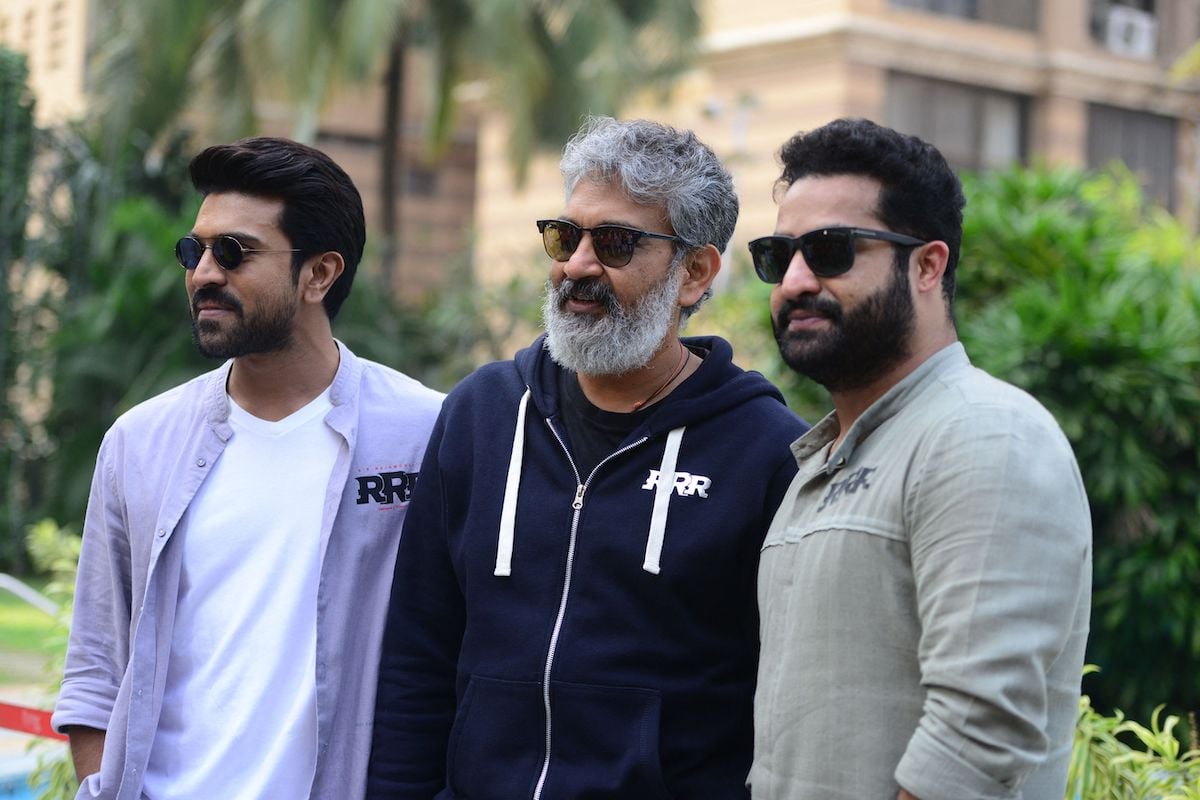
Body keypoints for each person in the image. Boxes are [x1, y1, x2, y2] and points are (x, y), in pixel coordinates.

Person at [366, 116, 809, 799]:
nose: (576, 265)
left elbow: (782, 703)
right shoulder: (482, 414)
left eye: (615, 243)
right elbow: (416, 658)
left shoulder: (764, 452)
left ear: (695, 272)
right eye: (564, 236)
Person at [51, 137, 444, 800]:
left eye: (234, 252)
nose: (203, 273)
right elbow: (94, 668)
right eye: (194, 250)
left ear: (319, 274)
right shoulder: (139, 443)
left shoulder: (423, 434)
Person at [746, 117, 1092, 800]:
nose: (794, 280)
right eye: (777, 255)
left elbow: (977, 738)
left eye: (831, 250)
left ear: (928, 265)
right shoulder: (817, 464)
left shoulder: (987, 436)